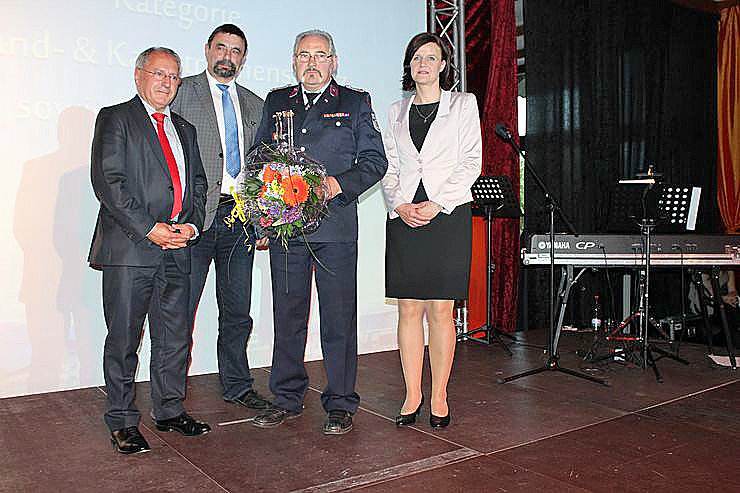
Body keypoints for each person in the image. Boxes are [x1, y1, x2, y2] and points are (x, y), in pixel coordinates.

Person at [250, 29, 388, 435]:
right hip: (286, 228)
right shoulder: (277, 101)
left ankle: (341, 402)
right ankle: (286, 397)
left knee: (338, 319)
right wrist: (262, 216)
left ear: (334, 61)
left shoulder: (355, 102)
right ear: (294, 61)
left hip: (335, 229)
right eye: (304, 55)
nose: (311, 63)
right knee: (287, 317)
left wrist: (337, 185)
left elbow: (375, 161)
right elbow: (258, 159)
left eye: (320, 55)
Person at [89, 47, 210, 454]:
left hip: (178, 246)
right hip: (131, 249)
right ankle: (122, 420)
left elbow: (198, 185)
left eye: (174, 77)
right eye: (159, 74)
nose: (167, 83)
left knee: (174, 338)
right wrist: (150, 229)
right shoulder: (116, 118)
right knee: (124, 339)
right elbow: (109, 182)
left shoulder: (185, 128)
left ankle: (170, 410)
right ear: (139, 75)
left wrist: (191, 226)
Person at [380, 32, 482, 429]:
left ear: (442, 65)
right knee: (408, 308)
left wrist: (437, 203)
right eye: (416, 57)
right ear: (409, 65)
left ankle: (439, 394)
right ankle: (412, 394)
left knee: (441, 309)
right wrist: (399, 205)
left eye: (430, 57)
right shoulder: (395, 110)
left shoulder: (463, 104)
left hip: (447, 213)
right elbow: (388, 166)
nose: (422, 64)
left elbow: (471, 161)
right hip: (405, 215)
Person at [170, 24, 270, 411]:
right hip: (193, 219)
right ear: (207, 50)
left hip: (239, 220)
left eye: (236, 51)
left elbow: (263, 169)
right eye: (222, 48)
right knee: (180, 310)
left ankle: (238, 385)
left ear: (243, 59)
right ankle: (170, 393)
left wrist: (263, 219)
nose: (228, 56)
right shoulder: (181, 92)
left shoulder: (256, 104)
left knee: (237, 311)